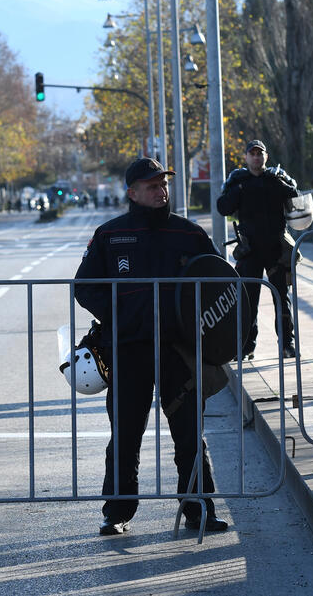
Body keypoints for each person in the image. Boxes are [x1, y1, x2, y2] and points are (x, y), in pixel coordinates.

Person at [74, 157, 229, 536]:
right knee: (125, 434)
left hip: (180, 350)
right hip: (128, 349)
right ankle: (117, 511)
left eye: (164, 185)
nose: (161, 192)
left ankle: (199, 508)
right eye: (152, 186)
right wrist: (121, 316)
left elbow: (219, 284)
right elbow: (84, 287)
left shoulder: (190, 235)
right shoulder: (109, 235)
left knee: (189, 432)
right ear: (132, 192)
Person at [216, 139, 299, 359]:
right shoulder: (238, 180)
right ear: (246, 157)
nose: (256, 157)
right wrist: (240, 190)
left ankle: (287, 344)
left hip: (275, 250)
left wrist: (281, 186)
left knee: (282, 298)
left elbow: (296, 198)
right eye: (252, 154)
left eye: (259, 153)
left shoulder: (276, 178)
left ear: (266, 156)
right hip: (249, 250)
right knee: (247, 301)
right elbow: (223, 207)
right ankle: (246, 347)